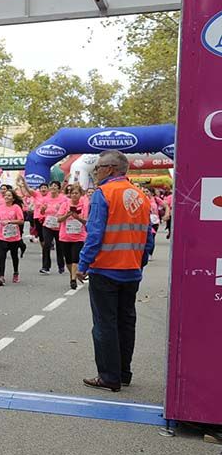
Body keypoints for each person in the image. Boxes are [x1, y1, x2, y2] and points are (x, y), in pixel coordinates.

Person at [77, 150, 155, 392]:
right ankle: (123, 373)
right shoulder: (140, 195)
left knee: (104, 324)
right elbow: (149, 236)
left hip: (106, 269)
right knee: (126, 322)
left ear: (110, 169)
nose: (96, 171)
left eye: (98, 167)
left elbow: (95, 234)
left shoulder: (104, 193)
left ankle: (108, 376)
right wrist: (140, 261)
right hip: (131, 270)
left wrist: (83, 264)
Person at [57, 183, 88, 290]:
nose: (74, 195)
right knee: (68, 260)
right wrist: (67, 215)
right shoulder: (65, 204)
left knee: (75, 258)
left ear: (80, 194)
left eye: (76, 193)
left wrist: (78, 217)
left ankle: (73, 279)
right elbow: (59, 219)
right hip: (65, 236)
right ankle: (72, 274)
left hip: (79, 237)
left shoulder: (84, 205)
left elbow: (86, 221)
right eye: (72, 193)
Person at [0, 189, 25, 285]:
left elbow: (21, 221)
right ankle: (1, 277)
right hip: (2, 236)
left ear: (13, 198)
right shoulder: (0, 207)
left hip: (13, 237)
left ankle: (16, 273)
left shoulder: (16, 207)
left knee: (14, 256)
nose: (6, 197)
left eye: (9, 195)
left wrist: (10, 222)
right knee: (2, 256)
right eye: (6, 195)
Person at [37, 181, 68, 275]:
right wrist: (42, 209)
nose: (53, 187)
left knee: (60, 246)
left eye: (55, 186)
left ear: (59, 188)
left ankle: (61, 266)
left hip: (59, 225)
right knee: (46, 244)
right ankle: (45, 267)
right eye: (52, 186)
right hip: (48, 225)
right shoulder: (45, 199)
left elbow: (66, 210)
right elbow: (42, 213)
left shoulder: (63, 199)